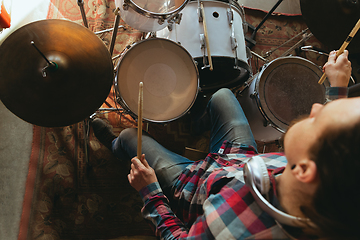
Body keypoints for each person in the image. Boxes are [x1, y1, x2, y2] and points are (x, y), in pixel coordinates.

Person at [91, 50, 359, 239]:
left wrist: (149, 192)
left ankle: (116, 147)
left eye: (319, 120)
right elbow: (341, 145)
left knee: (129, 137)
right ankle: (196, 123)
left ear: (304, 170)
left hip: (192, 189)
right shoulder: (327, 181)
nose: (315, 108)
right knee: (222, 96)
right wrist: (338, 88)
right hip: (237, 160)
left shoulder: (236, 227)